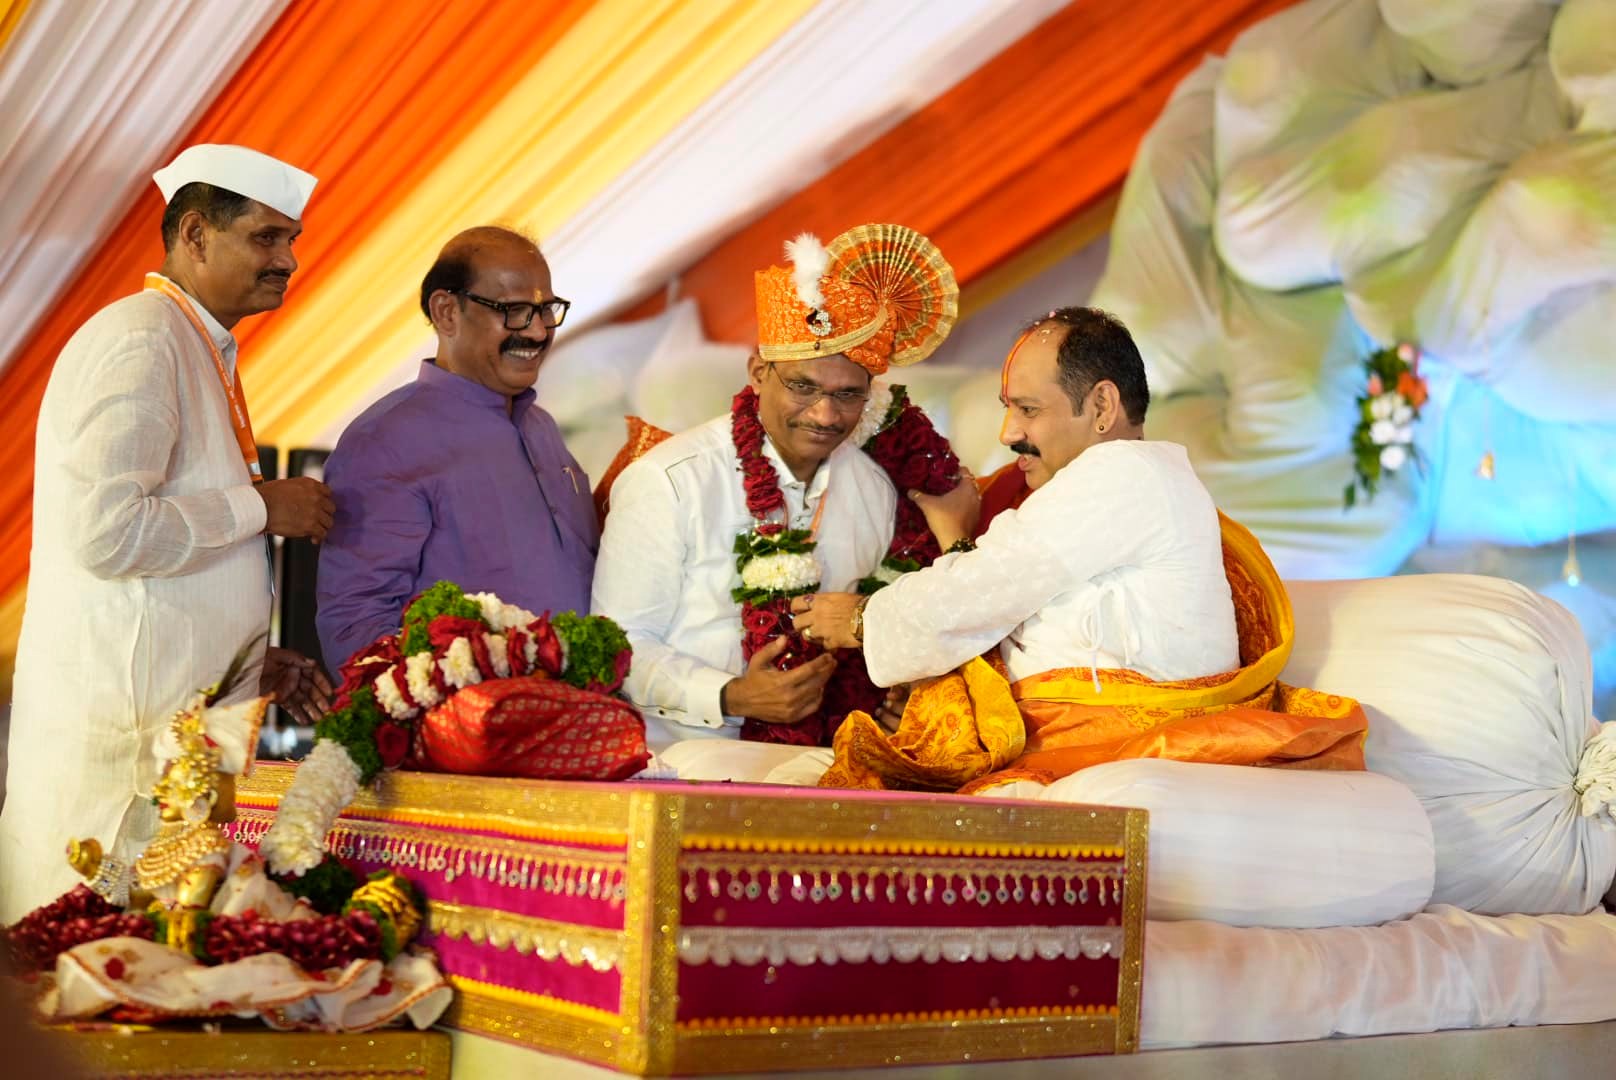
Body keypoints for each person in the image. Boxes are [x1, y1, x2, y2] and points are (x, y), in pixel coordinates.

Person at [791, 307, 1367, 790]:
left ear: (1102, 407)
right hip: (1078, 743)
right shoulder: (1105, 487)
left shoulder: (1123, 473)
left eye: (1028, 410)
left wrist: (863, 620)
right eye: (1008, 407)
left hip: (1113, 744)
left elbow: (986, 587)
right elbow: (992, 600)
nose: (1008, 433)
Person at [0, 144, 335, 921]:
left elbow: (160, 571)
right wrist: (262, 507)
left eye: (291, 239)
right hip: (116, 778)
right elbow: (106, 532)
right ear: (194, 235)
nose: (288, 260)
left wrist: (244, 665)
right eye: (266, 237)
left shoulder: (190, 344)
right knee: (89, 978)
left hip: (170, 760)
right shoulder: (143, 340)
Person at [591, 224, 961, 771]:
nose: (825, 415)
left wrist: (895, 696)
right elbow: (619, 643)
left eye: (848, 395)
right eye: (803, 387)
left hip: (824, 758)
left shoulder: (874, 490)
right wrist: (731, 696)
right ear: (759, 372)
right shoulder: (670, 481)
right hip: (680, 759)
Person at [316, 227, 598, 669]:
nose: (539, 330)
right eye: (516, 311)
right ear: (447, 312)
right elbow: (356, 624)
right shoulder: (385, 441)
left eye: (546, 310)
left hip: (585, 703)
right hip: (474, 711)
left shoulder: (541, 426)